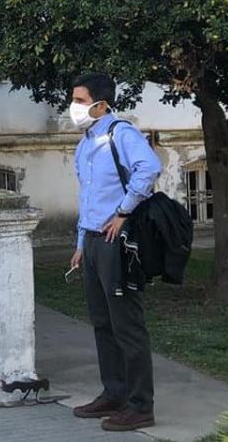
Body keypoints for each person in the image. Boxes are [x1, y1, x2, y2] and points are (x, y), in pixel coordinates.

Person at [68, 73, 160, 432]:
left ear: (101, 104)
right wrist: (79, 244)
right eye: (74, 100)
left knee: (127, 325)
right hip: (92, 240)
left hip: (116, 241)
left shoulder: (120, 133)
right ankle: (114, 393)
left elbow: (149, 169)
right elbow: (86, 196)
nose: (74, 107)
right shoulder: (87, 142)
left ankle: (140, 405)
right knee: (103, 323)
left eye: (80, 100)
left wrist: (123, 212)